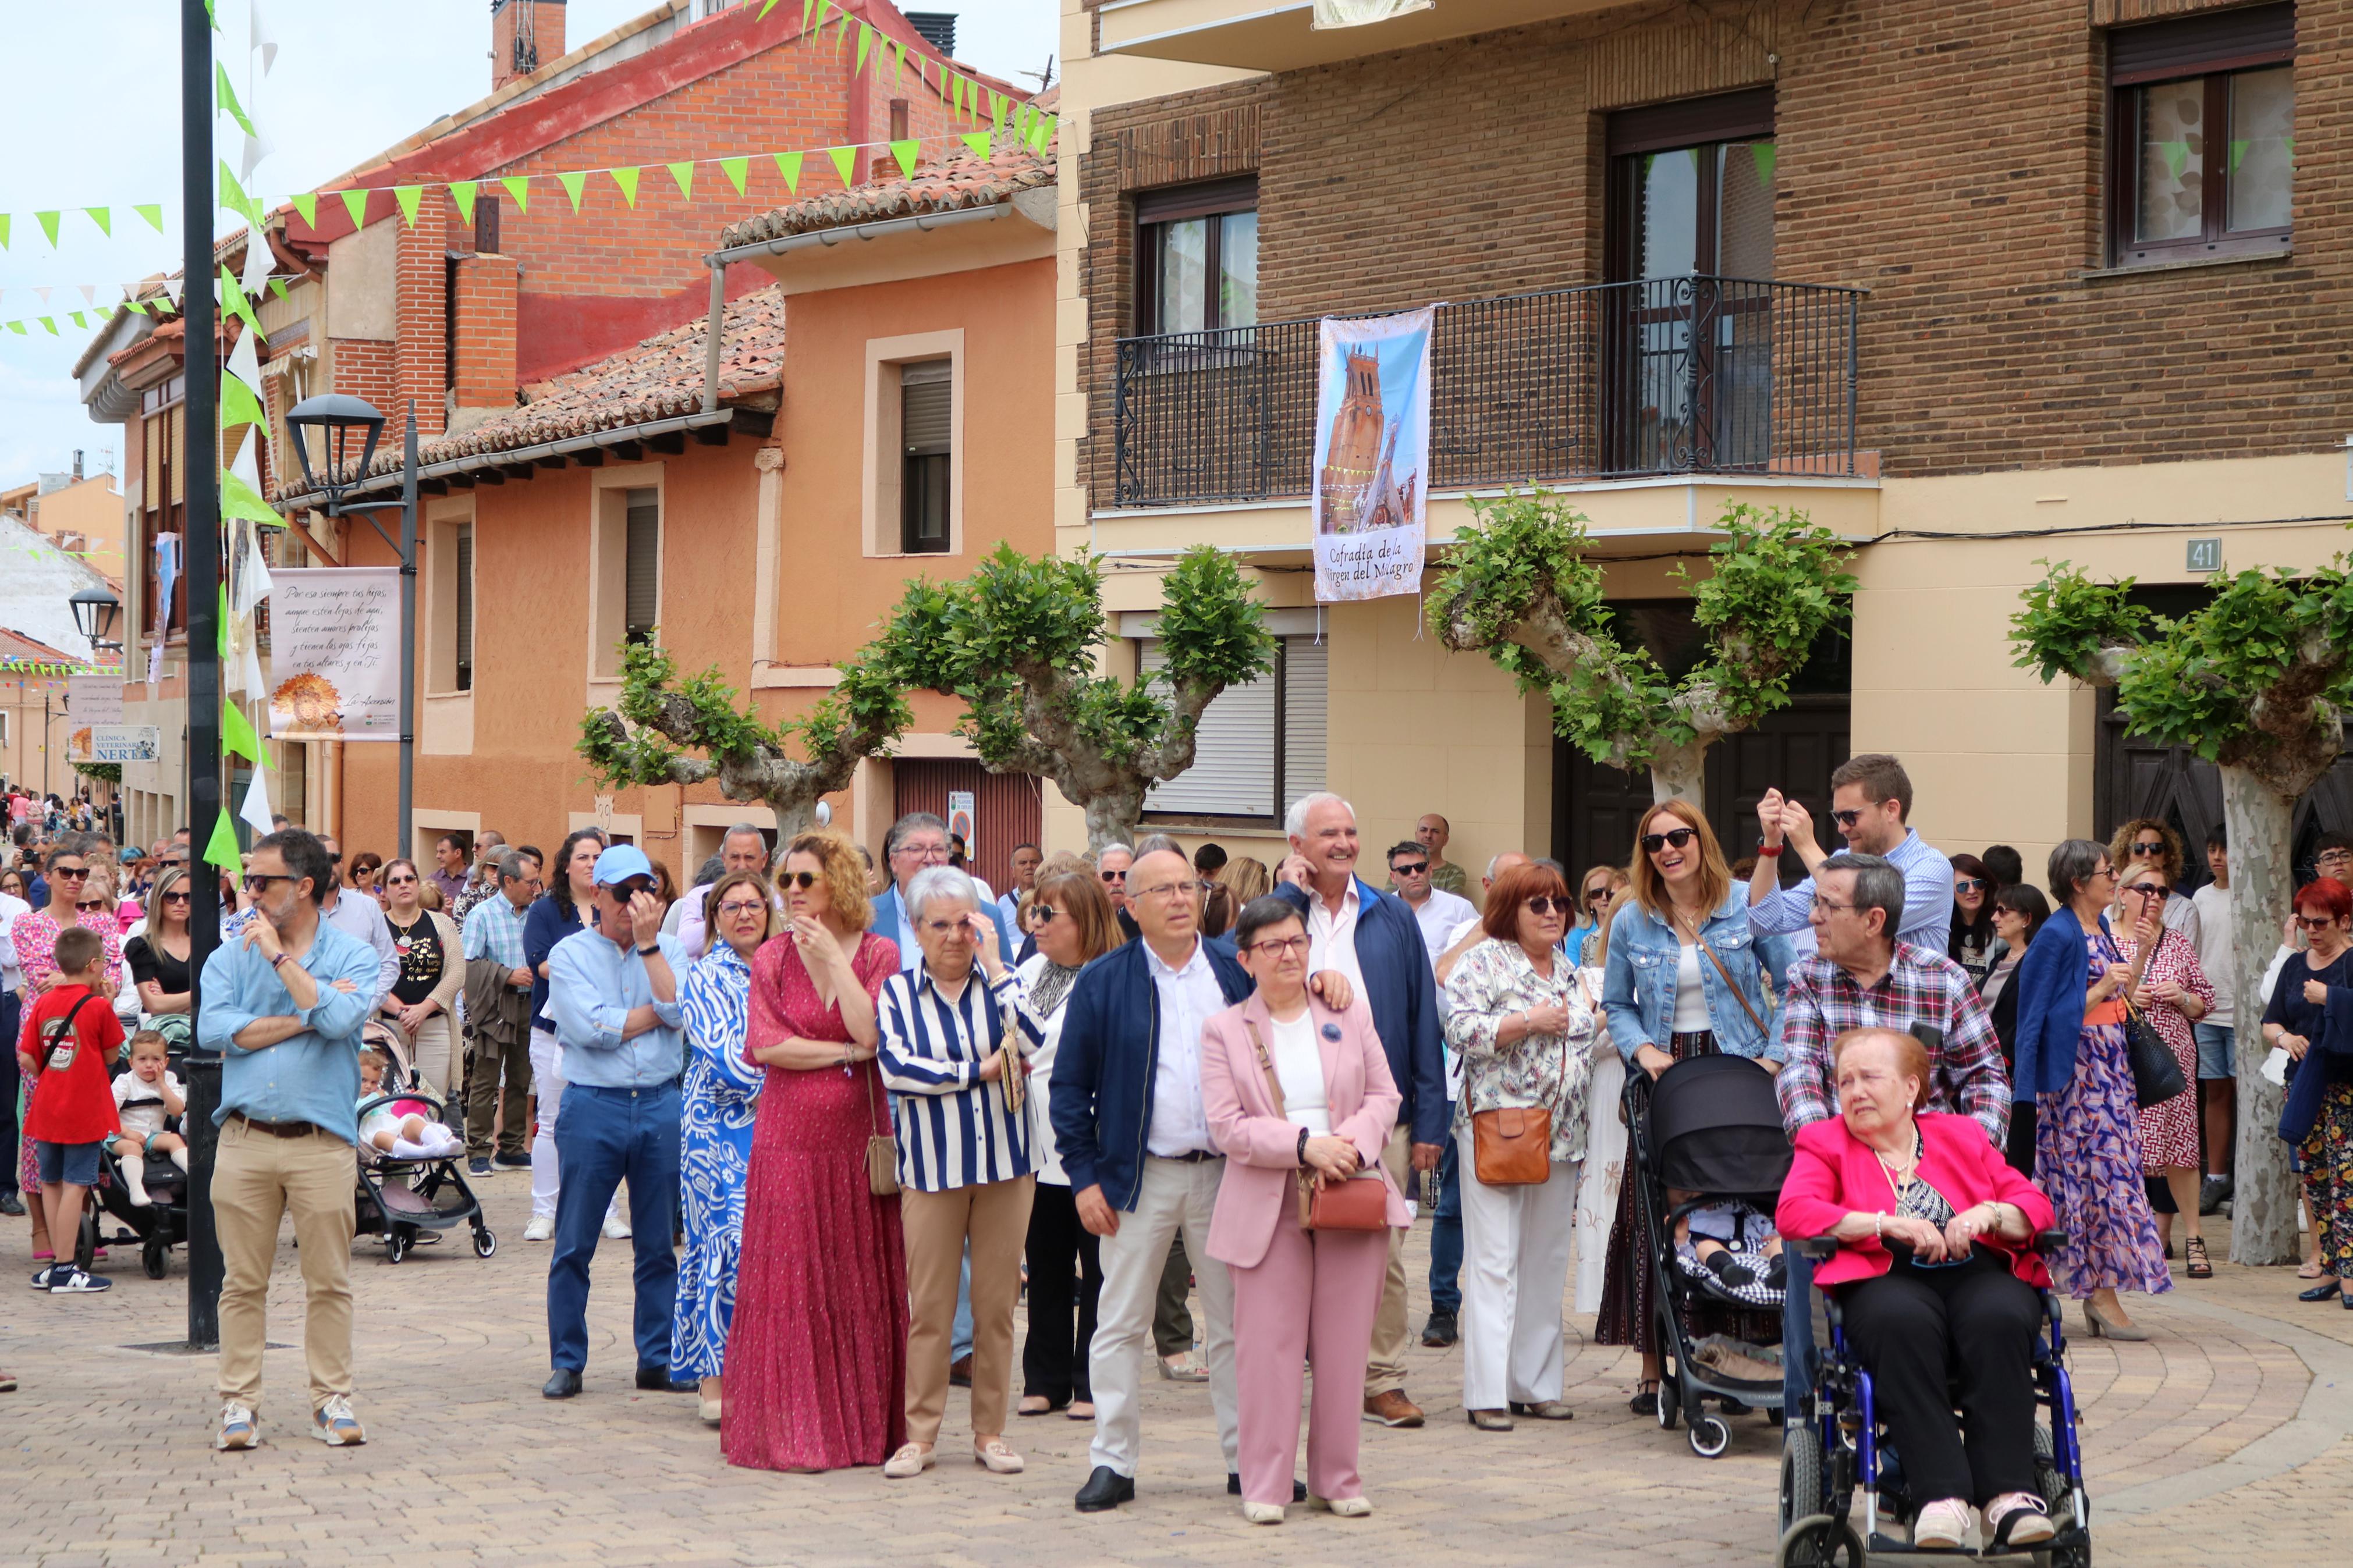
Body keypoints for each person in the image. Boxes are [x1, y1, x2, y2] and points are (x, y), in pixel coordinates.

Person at [1776, 1027, 2061, 1552]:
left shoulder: (1962, 1135)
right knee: (1898, 1321)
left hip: (1973, 1271)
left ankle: (2008, 1497)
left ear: (1910, 1088)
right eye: (1844, 1081)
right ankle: (1941, 1498)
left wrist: (1988, 1212)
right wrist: (1882, 1224)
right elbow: (1794, 1212)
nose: (1854, 1091)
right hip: (1884, 1279)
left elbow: (2034, 1205)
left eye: (1869, 1078)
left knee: (1999, 1315)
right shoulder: (1823, 1142)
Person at [1773, 849, 2011, 1414]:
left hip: (1934, 1177)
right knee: (1806, 1257)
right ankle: (1807, 1422)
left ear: (1873, 919)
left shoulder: (1941, 979)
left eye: (1827, 906)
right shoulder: (1807, 978)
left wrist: (1959, 1159)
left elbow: (1986, 1079)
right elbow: (1800, 1077)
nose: (1812, 917)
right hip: (1840, 1178)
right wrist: (1836, 1157)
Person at [1052, 847, 1253, 1512]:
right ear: (1129, 906)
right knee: (1117, 1322)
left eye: (1185, 886)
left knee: (1233, 1325)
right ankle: (1112, 1461)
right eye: (1159, 890)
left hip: (1226, 1176)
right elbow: (1069, 1088)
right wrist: (1083, 1179)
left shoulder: (1233, 970)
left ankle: (1247, 1460)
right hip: (1136, 1179)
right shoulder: (1104, 981)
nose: (1176, 898)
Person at [1198, 895, 1405, 1523]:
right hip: (1268, 1201)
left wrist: (1351, 1146)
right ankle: (1264, 1483)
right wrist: (1302, 1146)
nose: (1288, 954)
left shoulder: (1346, 1011)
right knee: (1268, 1350)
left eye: (1296, 941)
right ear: (1246, 959)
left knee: (1344, 1347)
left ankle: (1336, 1478)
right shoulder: (1224, 1030)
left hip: (1349, 1191)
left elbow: (1383, 1094)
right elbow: (1225, 1127)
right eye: (1272, 945)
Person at [1598, 800, 1790, 1409]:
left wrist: (1772, 1059)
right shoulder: (1633, 918)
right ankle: (1655, 1364)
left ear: (1699, 839)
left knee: (1738, 1199)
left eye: (1678, 836)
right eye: (1653, 842)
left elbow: (1790, 988)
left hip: (1739, 1068)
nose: (1667, 850)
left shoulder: (1743, 903)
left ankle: (1738, 1355)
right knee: (1654, 1211)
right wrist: (1643, 1051)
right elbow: (1617, 1003)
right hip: (1669, 1075)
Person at [724, 827, 906, 1472]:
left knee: (855, 1277)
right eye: (786, 881)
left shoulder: (879, 952)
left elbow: (876, 1030)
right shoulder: (770, 957)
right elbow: (769, 1047)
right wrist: (848, 1055)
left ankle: (859, 1430)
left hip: (858, 1140)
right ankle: (793, 1428)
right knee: (794, 1284)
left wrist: (833, 958)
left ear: (839, 885)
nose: (792, 891)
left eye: (806, 879)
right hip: (788, 1140)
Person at [199, 827, 382, 1450]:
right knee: (241, 1281)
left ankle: (331, 1400)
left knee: (329, 1279)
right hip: (245, 1136)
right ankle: (238, 1404)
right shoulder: (228, 953)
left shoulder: (354, 954)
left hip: (322, 1140)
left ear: (302, 886)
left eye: (261, 881)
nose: (247, 891)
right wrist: (309, 1016)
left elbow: (342, 1019)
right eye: (247, 880)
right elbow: (216, 1031)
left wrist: (281, 959)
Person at [1270, 794, 1447, 1430]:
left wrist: (1429, 1123)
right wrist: (1287, 901)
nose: (1344, 843)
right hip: (1292, 1113)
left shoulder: (1391, 915)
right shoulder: (1274, 913)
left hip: (1380, 1112)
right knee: (1288, 1248)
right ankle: (1294, 1368)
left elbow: (1421, 1019)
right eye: (1328, 834)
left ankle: (1380, 1379)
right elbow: (1245, 986)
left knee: (1383, 1253)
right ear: (1298, 846)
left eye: (1350, 830)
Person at [874, 866, 1042, 1481]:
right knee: (932, 1309)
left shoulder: (1004, 981)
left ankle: (989, 1432)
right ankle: (919, 1435)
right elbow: (897, 1069)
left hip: (1006, 1167)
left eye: (962, 922)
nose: (951, 936)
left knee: (996, 1307)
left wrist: (998, 969)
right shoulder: (894, 993)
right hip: (933, 1172)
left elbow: (1030, 1042)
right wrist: (977, 1071)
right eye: (938, 924)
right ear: (915, 929)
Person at [1445, 862, 1598, 1430]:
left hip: (1562, 1133)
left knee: (1545, 1259)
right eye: (1538, 903)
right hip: (1502, 1128)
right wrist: (1526, 1020)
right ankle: (1486, 1392)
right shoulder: (1482, 960)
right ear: (1509, 909)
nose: (1553, 912)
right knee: (1493, 1260)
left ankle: (1534, 1384)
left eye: (1559, 902)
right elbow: (1458, 1029)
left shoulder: (1566, 965)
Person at [540, 844, 694, 1402]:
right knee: (574, 1242)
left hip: (658, 1102)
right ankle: (567, 1360)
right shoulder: (571, 954)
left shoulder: (670, 947)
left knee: (657, 1243)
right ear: (596, 895)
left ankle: (656, 1358)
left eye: (644, 891)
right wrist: (659, 1012)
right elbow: (589, 1030)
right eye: (623, 892)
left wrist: (654, 966)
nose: (635, 903)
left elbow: (685, 1014)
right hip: (593, 1105)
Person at [2013, 839, 2170, 1339]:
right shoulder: (2055, 935)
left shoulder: (2097, 925)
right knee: (2084, 1182)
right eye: (2107, 871)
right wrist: (2101, 990)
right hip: (2075, 1083)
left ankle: (2098, 1290)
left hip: (2109, 1073)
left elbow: (2121, 995)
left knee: (2110, 1178)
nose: (2115, 878)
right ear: (2079, 882)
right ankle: (2088, 1292)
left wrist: (2141, 952)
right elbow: (2031, 1020)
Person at [1017, 865, 1121, 1420]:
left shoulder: (1109, 975)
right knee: (1047, 1262)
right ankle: (1046, 1376)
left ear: (1082, 920)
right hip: (1034, 1140)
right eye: (1033, 911)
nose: (1035, 923)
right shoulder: (1031, 969)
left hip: (1089, 1139)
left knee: (1098, 1268)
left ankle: (1090, 1381)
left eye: (1046, 914)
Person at [672, 870, 771, 1427]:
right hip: (717, 1131)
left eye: (752, 904)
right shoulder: (705, 975)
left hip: (782, 1127)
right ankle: (714, 1378)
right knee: (724, 1242)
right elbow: (732, 1059)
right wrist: (802, 1069)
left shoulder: (786, 965)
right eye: (729, 907)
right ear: (713, 919)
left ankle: (763, 1369)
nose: (743, 915)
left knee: (772, 1244)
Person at [2114, 859, 2216, 1277]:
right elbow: (2101, 998)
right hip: (2121, 1058)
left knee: (2181, 1149)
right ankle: (2132, 1238)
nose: (2154, 897)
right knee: (2128, 1147)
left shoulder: (2177, 943)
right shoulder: (2104, 941)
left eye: (2161, 891)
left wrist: (2182, 998)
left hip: (2172, 1057)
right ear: (2122, 894)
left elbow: (2203, 1002)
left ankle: (2193, 1237)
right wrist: (2129, 993)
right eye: (2144, 889)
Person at [1749, 753, 1955, 955]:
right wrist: (1771, 845)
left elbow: (1868, 918)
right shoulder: (1840, 861)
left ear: (1891, 810)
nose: (1842, 828)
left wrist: (1806, 845)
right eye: (1839, 817)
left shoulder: (1932, 866)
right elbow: (1766, 922)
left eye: (1850, 816)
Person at [524, 829, 623, 1243]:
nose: (590, 863)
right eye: (582, 856)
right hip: (553, 1030)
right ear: (566, 864)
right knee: (551, 1121)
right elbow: (539, 963)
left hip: (606, 1030)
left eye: (597, 856)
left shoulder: (615, 907)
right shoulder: (546, 911)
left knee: (606, 1122)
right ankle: (545, 1211)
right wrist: (584, 967)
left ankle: (608, 1211)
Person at [17, 925, 125, 1295]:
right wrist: (107, 1006)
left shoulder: (43, 1002)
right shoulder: (97, 1007)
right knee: (76, 1185)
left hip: (46, 1106)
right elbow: (113, 1054)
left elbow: (27, 1056)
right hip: (84, 1108)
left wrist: (55, 1071)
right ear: (94, 965)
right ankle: (66, 1266)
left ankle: (55, 1265)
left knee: (50, 1182)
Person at [2264, 876, 2353, 1309]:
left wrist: (2331, 997)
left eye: (2320, 922)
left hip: (2344, 1087)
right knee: (2316, 1181)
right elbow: (2271, 1021)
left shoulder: (2351, 962)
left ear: (2344, 920)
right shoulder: (2294, 964)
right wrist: (2283, 1039)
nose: (2311, 931)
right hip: (2303, 1084)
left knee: (2347, 1181)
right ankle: (2333, 1268)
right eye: (2304, 922)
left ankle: (2351, 1274)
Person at [460, 848, 541, 1175]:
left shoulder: (536, 913)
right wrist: (507, 975)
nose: (536, 889)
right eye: (530, 882)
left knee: (521, 1078)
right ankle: (478, 1151)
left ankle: (511, 1148)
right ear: (509, 881)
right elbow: (469, 965)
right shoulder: (482, 915)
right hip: (496, 1005)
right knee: (487, 1079)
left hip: (531, 1004)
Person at [870, 813, 1016, 969]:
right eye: (916, 849)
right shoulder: (866, 917)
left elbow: (1007, 983)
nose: (929, 859)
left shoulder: (986, 915)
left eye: (938, 849)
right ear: (894, 861)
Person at [1981, 883, 2052, 1176]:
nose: (1995, 918)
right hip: (1988, 1064)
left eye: (2002, 911)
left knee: (2016, 1155)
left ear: (2026, 918)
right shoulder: (2000, 959)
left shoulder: (2036, 961)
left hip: (2014, 1069)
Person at [377, 860, 463, 1100]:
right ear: (385, 890)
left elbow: (457, 973)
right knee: (390, 1103)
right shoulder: (376, 926)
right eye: (395, 881)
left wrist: (423, 1010)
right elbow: (368, 976)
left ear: (417, 883)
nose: (403, 885)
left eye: (409, 879)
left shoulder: (442, 923)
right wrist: (403, 1011)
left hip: (434, 1027)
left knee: (431, 1103)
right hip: (389, 1027)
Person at [2191, 829, 2237, 1214]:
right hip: (2208, 1011)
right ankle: (2217, 1175)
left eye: (2224, 849)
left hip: (2244, 1012)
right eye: (2212, 849)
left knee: (2249, 1095)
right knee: (2214, 1093)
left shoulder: (2254, 893)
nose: (2217, 856)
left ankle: (2249, 1174)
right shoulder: (2200, 898)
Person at [315, 837, 400, 1008]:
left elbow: (389, 963)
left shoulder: (367, 907)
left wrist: (367, 1005)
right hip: (309, 1020)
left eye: (334, 858)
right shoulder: (297, 910)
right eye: (320, 859)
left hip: (361, 1022)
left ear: (341, 862)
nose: (328, 865)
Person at [109, 1029, 187, 1207]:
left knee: (174, 1139)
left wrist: (162, 1084)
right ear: (131, 1062)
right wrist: (127, 1132)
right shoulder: (125, 1081)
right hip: (119, 1133)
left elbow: (177, 1110)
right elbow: (109, 1113)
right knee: (132, 1147)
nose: (149, 1065)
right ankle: (136, 1190)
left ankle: (196, 1177)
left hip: (152, 1134)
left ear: (166, 1062)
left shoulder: (169, 1079)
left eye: (156, 1060)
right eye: (143, 1060)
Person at [677, 824, 773, 961]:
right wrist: (724, 918)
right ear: (723, 859)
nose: (742, 865)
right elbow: (684, 945)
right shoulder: (699, 896)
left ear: (764, 859)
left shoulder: (778, 898)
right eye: (735, 857)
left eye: (749, 858)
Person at [1387, 840, 1477, 969]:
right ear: (1393, 877)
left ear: (1429, 870)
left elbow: (1482, 953)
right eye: (1405, 870)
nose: (1414, 874)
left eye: (1420, 867)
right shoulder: (1382, 911)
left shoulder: (1460, 908)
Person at [2109, 818, 2201, 943]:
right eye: (2138, 848)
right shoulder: (2110, 905)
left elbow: (2189, 960)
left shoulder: (2185, 909)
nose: (2147, 854)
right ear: (2127, 858)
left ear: (2167, 857)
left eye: (2156, 848)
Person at [125, 865, 193, 1034]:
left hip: (203, 1037)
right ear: (159, 899)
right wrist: (201, 994)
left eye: (188, 897)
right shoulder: (142, 946)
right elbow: (154, 1005)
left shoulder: (208, 943)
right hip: (161, 1040)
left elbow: (224, 995)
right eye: (171, 897)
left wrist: (170, 1002)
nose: (180, 903)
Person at [0, 863, 29, 1218]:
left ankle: (6, 1187)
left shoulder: (14, 909)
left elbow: (12, 957)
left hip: (6, 1003)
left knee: (6, 1104)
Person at [1950, 854, 1999, 987]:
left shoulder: (2000, 924)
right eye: (1962, 886)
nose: (1972, 891)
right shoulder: (1943, 928)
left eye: (1978, 883)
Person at [1566, 865, 1627, 966]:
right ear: (1590, 902)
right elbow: (1572, 974)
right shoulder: (1577, 935)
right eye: (1596, 893)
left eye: (1609, 892)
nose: (1604, 897)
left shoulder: (1631, 929)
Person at [450, 830, 510, 925]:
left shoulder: (517, 898)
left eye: (478, 846)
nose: (473, 850)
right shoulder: (467, 898)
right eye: (492, 867)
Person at [1413, 813, 1472, 900]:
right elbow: (1389, 906)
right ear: (1416, 835)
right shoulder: (1402, 869)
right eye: (1424, 830)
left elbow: (1452, 908)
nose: (1428, 835)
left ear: (1445, 840)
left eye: (1435, 831)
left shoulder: (1454, 873)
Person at [998, 842, 1043, 938]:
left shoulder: (1049, 897)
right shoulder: (1004, 903)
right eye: (1023, 863)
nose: (1029, 867)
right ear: (1013, 871)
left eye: (1034, 862)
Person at [428, 833, 471, 909]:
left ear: (457, 853)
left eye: (443, 852)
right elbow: (423, 908)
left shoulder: (474, 879)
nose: (438, 856)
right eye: (437, 852)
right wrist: (440, 907)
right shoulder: (432, 880)